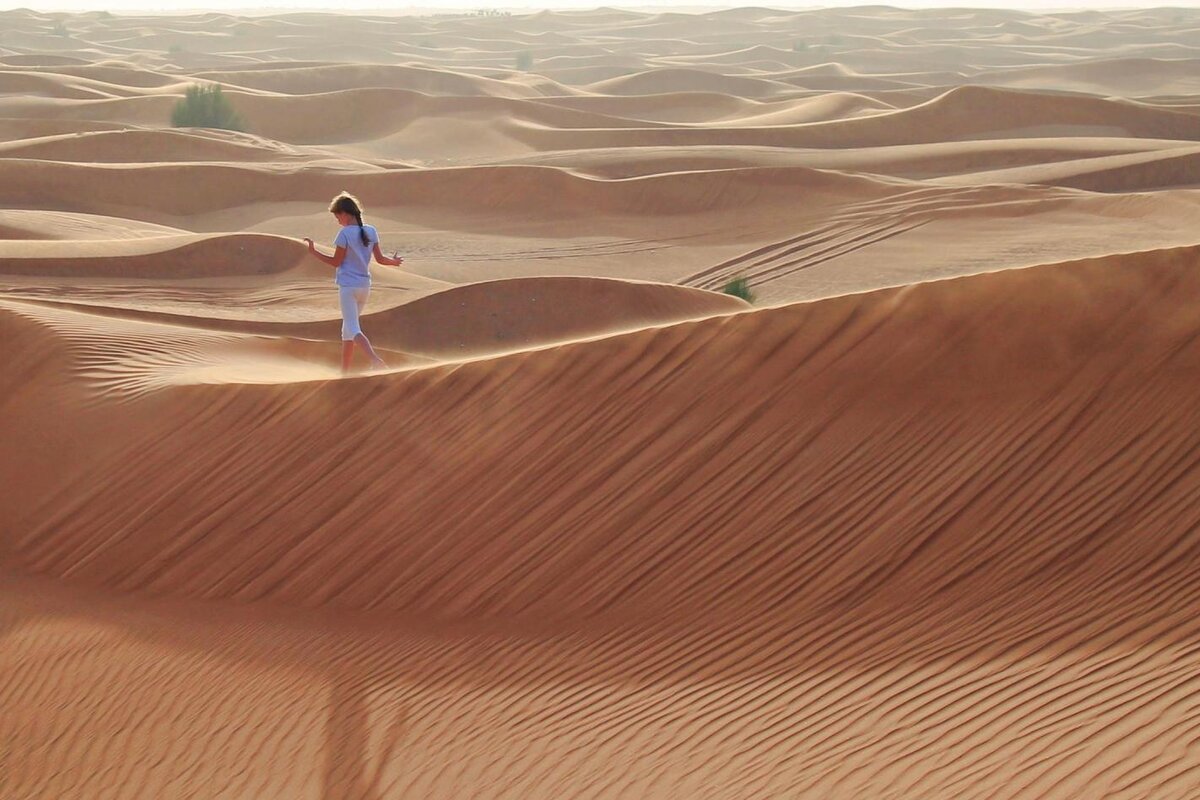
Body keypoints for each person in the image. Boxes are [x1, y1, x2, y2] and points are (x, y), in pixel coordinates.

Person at [303, 192, 403, 374]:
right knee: (347, 331)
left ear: (345, 213)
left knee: (352, 327)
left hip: (348, 287)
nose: (337, 220)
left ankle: (375, 360)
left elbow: (335, 262)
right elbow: (380, 260)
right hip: (364, 287)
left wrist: (313, 251)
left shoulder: (345, 234)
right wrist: (394, 262)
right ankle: (345, 372)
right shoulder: (371, 231)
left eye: (337, 215)